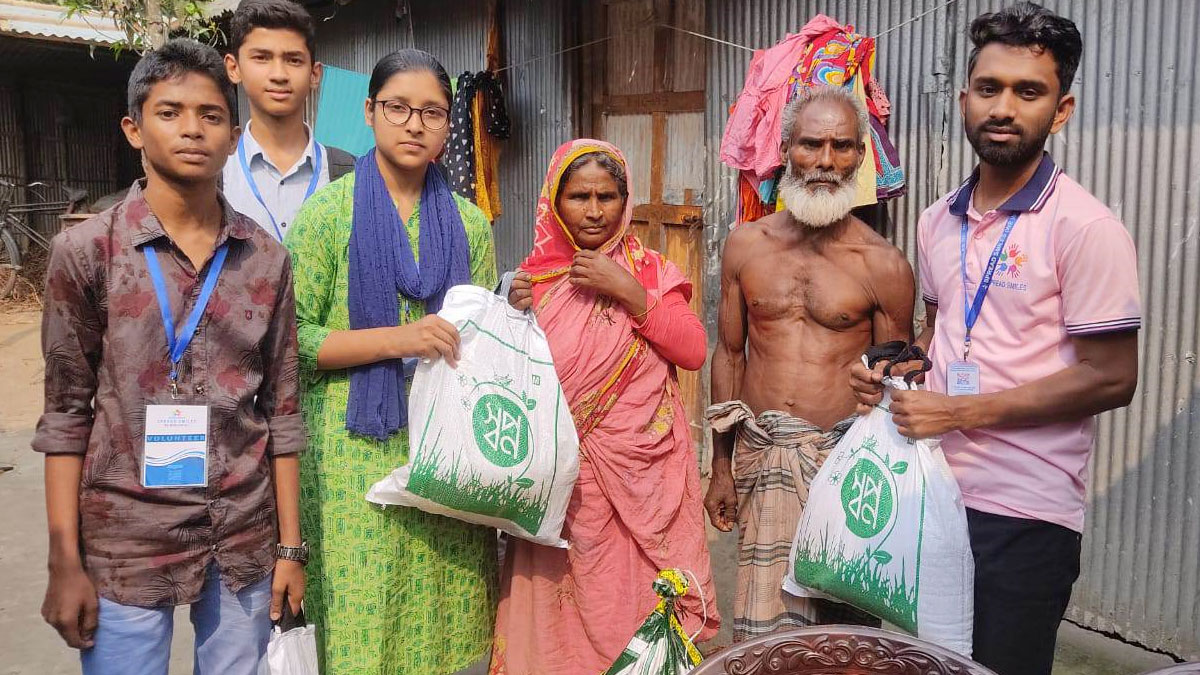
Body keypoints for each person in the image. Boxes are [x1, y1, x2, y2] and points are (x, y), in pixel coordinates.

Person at [850, 4, 1139, 674]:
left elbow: (1112, 377)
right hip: (933, 494)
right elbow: (939, 334)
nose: (1004, 107)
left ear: (1060, 109)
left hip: (1026, 513)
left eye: (1028, 91)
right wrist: (891, 376)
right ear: (964, 99)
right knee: (925, 664)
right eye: (989, 89)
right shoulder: (934, 221)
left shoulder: (1086, 228)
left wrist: (962, 410)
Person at [35, 39, 305, 675]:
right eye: (170, 112)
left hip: (242, 535)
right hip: (126, 539)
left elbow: (283, 412)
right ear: (133, 128)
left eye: (211, 116)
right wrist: (63, 560)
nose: (192, 129)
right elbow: (66, 414)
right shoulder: (87, 252)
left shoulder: (265, 259)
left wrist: (290, 547)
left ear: (234, 136)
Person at [284, 48, 499, 674]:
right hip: (354, 448)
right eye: (398, 108)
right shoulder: (328, 214)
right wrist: (399, 340)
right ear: (370, 112)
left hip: (444, 449)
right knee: (364, 619)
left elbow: (478, 339)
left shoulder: (469, 223)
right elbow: (293, 340)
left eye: (432, 111)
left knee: (440, 613)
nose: (414, 124)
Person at [492, 139, 720, 673]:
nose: (594, 211)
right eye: (578, 196)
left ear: (626, 200)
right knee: (556, 631)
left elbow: (691, 350)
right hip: (556, 495)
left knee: (631, 612)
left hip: (640, 495)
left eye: (607, 196)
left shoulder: (653, 272)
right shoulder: (531, 283)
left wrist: (628, 291)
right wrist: (505, 307)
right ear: (555, 200)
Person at [705, 85, 916, 642]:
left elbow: (898, 387)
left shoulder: (884, 265)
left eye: (842, 147)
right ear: (785, 148)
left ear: (861, 157)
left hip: (844, 471)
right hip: (764, 459)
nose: (825, 162)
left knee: (841, 639)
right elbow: (728, 355)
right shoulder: (745, 246)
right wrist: (720, 466)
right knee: (763, 638)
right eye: (811, 145)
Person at [222, 0, 355, 241]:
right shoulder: (215, 174)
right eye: (261, 57)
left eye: (293, 60)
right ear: (234, 68)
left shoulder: (348, 174)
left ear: (315, 74)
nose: (279, 75)